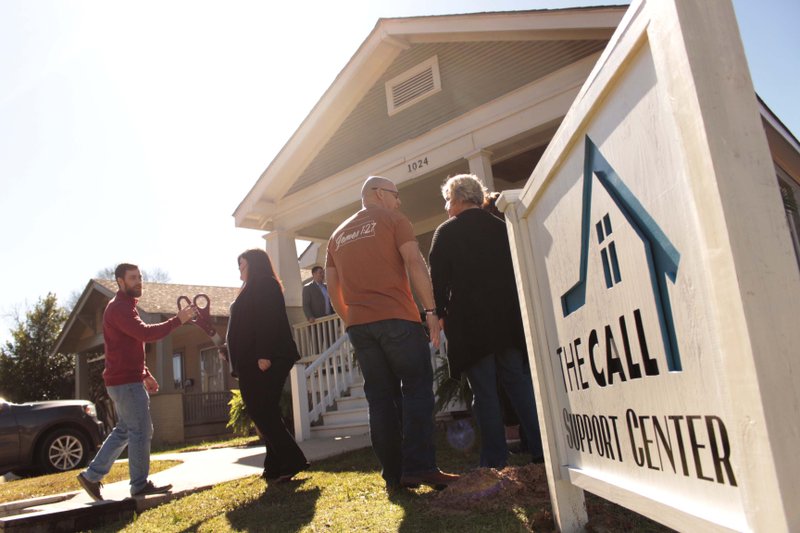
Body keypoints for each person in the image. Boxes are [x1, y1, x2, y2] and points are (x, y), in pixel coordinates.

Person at [325, 175, 459, 492]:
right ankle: (420, 467)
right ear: (377, 193)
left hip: (360, 326)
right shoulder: (394, 219)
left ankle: (393, 477)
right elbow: (414, 262)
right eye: (395, 194)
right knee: (416, 390)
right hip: (398, 319)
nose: (399, 201)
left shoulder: (336, 235)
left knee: (381, 400)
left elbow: (333, 289)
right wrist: (430, 312)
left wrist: (352, 319)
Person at [429, 174, 544, 468]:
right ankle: (542, 450)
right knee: (517, 383)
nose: (446, 206)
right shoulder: (503, 228)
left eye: (447, 200)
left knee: (484, 391)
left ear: (457, 198)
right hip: (507, 319)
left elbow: (438, 282)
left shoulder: (445, 233)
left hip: (470, 325)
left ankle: (495, 459)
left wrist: (439, 314)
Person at [77, 263, 196, 501]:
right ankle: (139, 485)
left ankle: (91, 476)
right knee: (141, 430)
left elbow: (130, 346)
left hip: (125, 380)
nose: (138, 281)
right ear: (120, 281)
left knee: (125, 430)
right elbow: (146, 334)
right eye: (133, 278)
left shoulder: (126, 307)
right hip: (125, 383)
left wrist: (145, 373)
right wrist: (178, 320)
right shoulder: (119, 307)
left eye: (140, 277)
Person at [222, 248, 309, 482]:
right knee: (266, 411)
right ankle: (275, 467)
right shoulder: (252, 288)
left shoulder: (265, 284)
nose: (240, 271)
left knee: (261, 410)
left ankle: (292, 460)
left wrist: (263, 354)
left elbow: (267, 320)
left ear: (255, 265)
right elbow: (245, 325)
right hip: (252, 360)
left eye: (243, 266)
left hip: (267, 358)